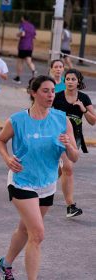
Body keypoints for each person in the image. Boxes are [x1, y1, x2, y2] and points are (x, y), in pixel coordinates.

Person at [0, 76, 79, 280]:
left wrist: (68, 144)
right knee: (38, 234)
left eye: (52, 91)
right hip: (22, 181)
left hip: (47, 184)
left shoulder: (62, 119)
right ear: (33, 93)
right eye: (45, 90)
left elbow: (74, 157)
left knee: (25, 229)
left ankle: (5, 264)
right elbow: (0, 140)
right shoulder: (17, 120)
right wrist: (7, 159)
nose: (50, 95)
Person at [52, 69, 95, 218]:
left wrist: (83, 109)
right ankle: (70, 205)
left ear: (78, 82)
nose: (70, 81)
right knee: (67, 168)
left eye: (73, 79)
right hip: (56, 136)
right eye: (68, 79)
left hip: (74, 138)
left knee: (63, 169)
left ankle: (45, 190)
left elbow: (93, 120)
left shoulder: (84, 98)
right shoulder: (57, 97)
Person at [12, 15, 37, 84]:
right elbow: (34, 36)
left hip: (23, 46)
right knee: (29, 61)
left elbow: (22, 34)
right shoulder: (32, 26)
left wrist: (17, 34)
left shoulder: (22, 25)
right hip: (30, 46)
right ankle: (33, 70)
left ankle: (18, 78)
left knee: (20, 62)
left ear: (23, 18)